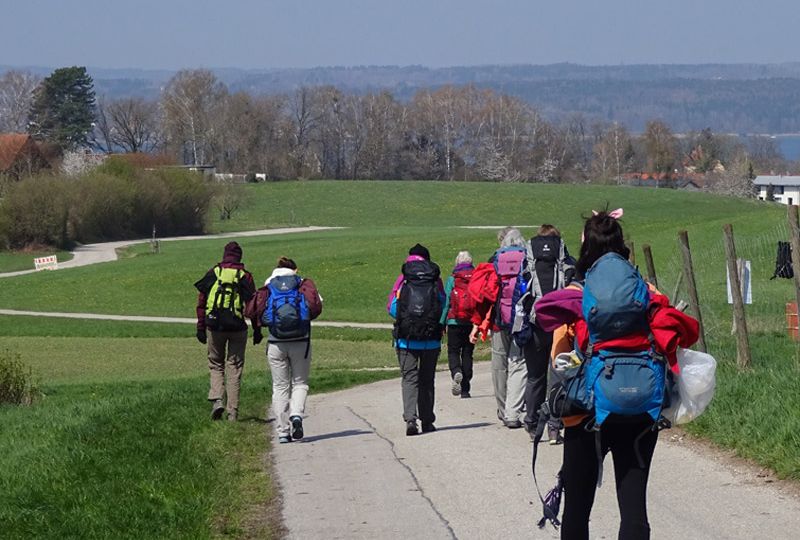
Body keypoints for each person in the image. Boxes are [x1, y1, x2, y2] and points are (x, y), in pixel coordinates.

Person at [535, 211, 698, 539]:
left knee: (578, 509)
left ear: (585, 248)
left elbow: (559, 360)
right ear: (622, 246)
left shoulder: (576, 293)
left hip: (584, 412)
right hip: (640, 408)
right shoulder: (644, 289)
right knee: (634, 508)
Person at [249, 257, 322, 444]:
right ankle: (296, 415)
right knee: (300, 383)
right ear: (294, 270)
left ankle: (283, 431)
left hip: (276, 343)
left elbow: (253, 311)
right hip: (300, 341)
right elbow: (316, 306)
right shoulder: (302, 284)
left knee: (280, 386)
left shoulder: (269, 285)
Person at [469, 227, 528, 428]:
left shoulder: (495, 259)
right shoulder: (527, 259)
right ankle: (513, 411)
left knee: (499, 365)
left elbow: (486, 295)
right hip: (522, 320)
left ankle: (503, 410)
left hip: (498, 321)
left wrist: (478, 323)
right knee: (518, 363)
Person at [521, 225, 575, 444]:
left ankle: (532, 422)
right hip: (560, 324)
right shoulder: (565, 258)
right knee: (559, 376)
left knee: (535, 376)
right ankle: (555, 426)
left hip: (534, 324)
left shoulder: (528, 259)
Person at [194, 241, 259, 422]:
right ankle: (233, 413)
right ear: (240, 257)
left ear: (224, 255)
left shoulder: (214, 273)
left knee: (216, 364)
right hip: (238, 328)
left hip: (215, 327)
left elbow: (201, 301)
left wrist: (200, 326)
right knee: (234, 368)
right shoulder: (245, 276)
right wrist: (257, 329)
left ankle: (217, 400)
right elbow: (252, 307)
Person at [388, 243, 446, 435]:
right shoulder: (434, 279)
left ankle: (410, 419)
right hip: (431, 338)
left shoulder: (404, 278)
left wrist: (406, 320)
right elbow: (443, 304)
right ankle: (427, 420)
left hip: (407, 339)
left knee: (409, 378)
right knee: (427, 380)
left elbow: (392, 307)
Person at [441, 251, 476, 398]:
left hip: (454, 321)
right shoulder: (476, 278)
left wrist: (442, 322)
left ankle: (456, 371)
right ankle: (465, 389)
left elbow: (446, 302)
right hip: (470, 322)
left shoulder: (452, 279)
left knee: (453, 351)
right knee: (467, 353)